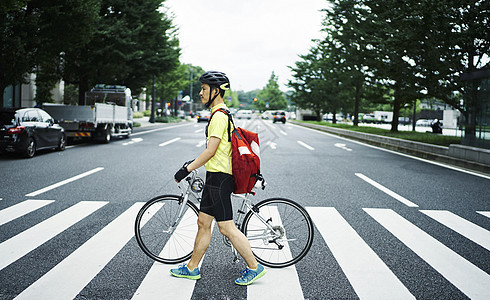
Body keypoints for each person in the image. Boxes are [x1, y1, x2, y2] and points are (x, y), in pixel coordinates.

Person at [171, 71, 266, 285]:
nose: (201, 93)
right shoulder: (221, 113)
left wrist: (187, 168)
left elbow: (211, 150)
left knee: (226, 227)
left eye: (204, 89)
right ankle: (192, 268)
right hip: (215, 176)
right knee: (203, 222)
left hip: (220, 178)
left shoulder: (219, 116)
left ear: (216, 91)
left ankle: (254, 266)